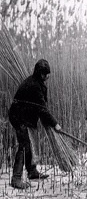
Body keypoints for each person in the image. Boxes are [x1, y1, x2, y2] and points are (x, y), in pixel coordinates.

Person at [7, 59, 60, 189]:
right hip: (18, 117)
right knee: (24, 145)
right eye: (46, 73)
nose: (48, 76)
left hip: (26, 116)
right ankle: (16, 178)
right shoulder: (34, 85)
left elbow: (40, 107)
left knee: (29, 143)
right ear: (41, 74)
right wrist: (55, 124)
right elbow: (42, 109)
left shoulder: (37, 82)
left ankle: (32, 172)